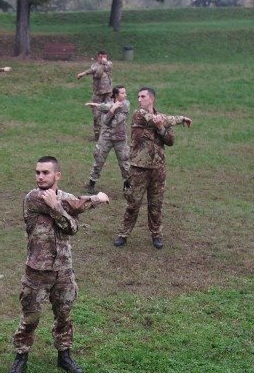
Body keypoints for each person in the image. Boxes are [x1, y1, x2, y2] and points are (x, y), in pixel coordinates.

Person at [9, 156, 110, 373]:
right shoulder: (34, 197)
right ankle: (20, 356)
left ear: (57, 175)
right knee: (31, 318)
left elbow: (73, 212)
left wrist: (66, 207)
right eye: (37, 172)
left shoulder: (62, 198)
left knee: (64, 315)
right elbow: (72, 217)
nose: (40, 177)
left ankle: (64, 356)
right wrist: (96, 199)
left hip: (63, 270)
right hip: (37, 272)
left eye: (45, 172)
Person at [115, 87, 191, 250]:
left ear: (152, 99)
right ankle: (123, 234)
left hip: (158, 168)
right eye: (138, 96)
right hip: (139, 168)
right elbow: (155, 120)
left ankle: (156, 234)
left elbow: (170, 140)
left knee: (156, 204)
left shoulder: (161, 119)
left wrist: (162, 128)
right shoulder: (138, 114)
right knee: (133, 204)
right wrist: (181, 118)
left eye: (143, 96)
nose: (139, 99)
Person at [86, 85, 129, 193]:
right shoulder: (110, 104)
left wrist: (110, 110)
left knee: (125, 162)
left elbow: (112, 121)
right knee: (98, 160)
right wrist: (101, 106)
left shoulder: (126, 104)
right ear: (115, 95)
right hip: (106, 138)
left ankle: (127, 185)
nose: (125, 95)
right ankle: (91, 183)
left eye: (125, 93)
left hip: (120, 138)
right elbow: (105, 111)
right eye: (122, 93)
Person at [75, 50, 114, 138]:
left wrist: (105, 63)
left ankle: (110, 134)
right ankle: (97, 135)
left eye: (105, 57)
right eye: (101, 57)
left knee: (110, 112)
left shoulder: (109, 64)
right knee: (97, 115)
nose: (103, 59)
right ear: (98, 57)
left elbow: (109, 67)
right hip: (98, 94)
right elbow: (93, 70)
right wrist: (83, 73)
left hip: (108, 93)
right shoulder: (95, 66)